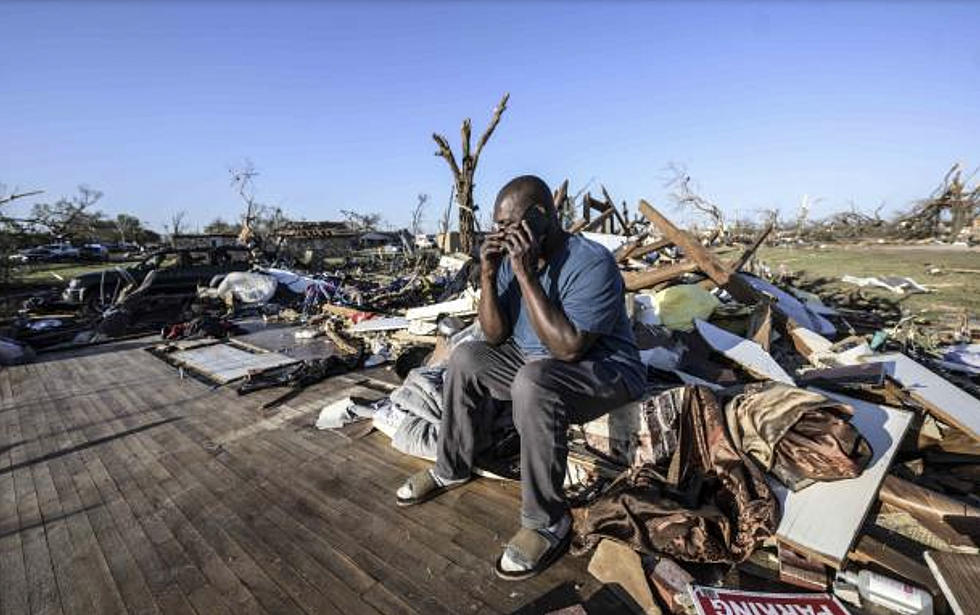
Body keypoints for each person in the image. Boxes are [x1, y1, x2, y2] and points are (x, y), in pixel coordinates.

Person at [395, 175, 645, 580]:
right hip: (535, 360)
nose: (501, 234)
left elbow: (568, 348)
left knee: (535, 380)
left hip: (605, 369)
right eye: (497, 226)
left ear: (542, 217)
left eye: (510, 226)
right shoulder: (510, 260)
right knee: (467, 357)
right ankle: (452, 466)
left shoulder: (591, 262)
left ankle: (546, 521)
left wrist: (526, 275)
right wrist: (490, 275)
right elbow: (494, 335)